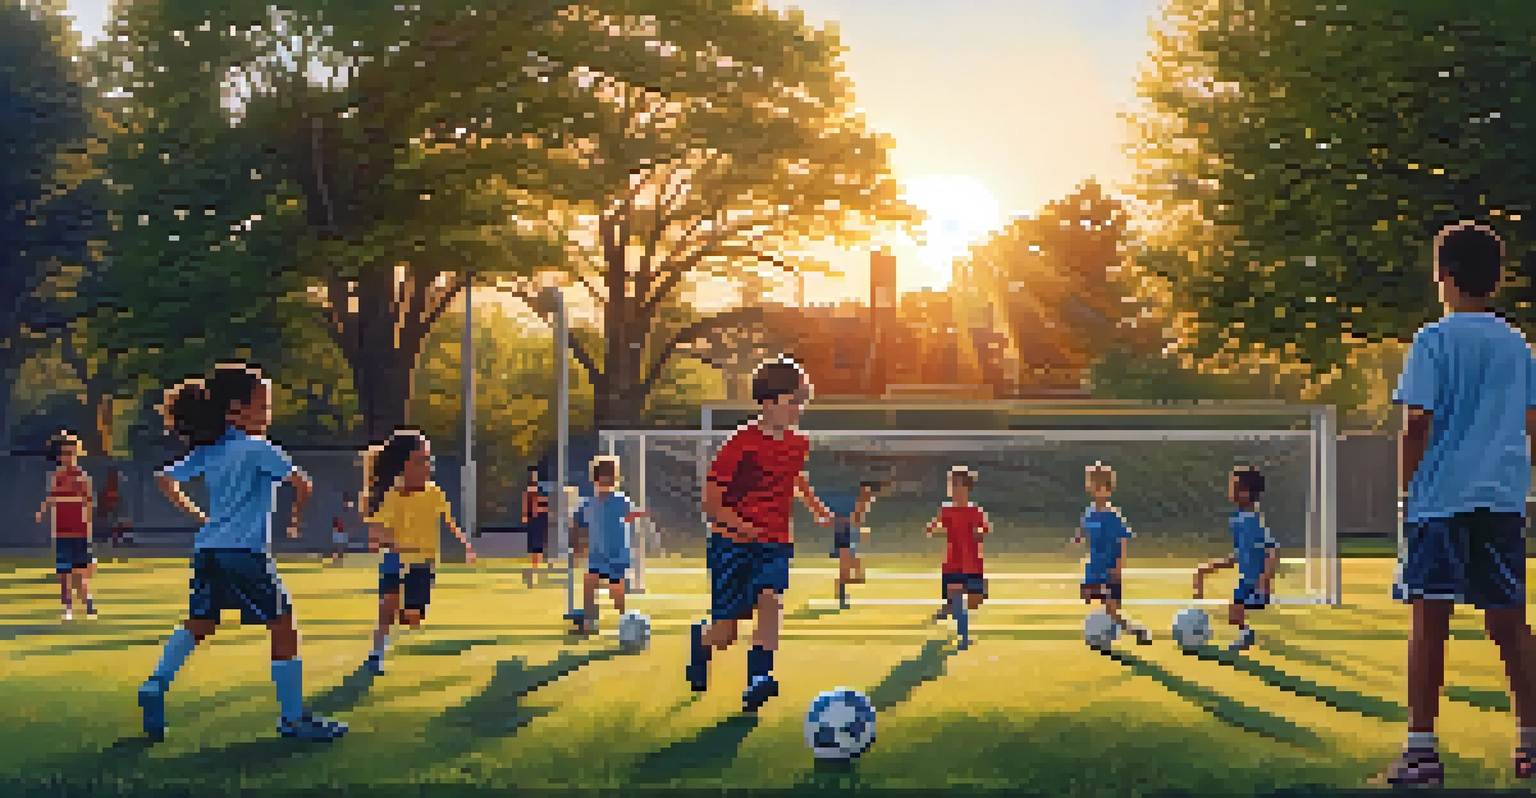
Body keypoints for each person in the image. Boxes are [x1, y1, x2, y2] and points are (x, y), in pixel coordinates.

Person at [1376, 222, 1536, 786]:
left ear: (1441, 276)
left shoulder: (1433, 340)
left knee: (1430, 622)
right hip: (1501, 503)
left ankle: (1421, 752)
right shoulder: (1517, 344)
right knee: (1510, 625)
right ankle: (1531, 742)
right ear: (1496, 279)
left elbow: (1416, 421)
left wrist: (1405, 490)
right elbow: (1532, 422)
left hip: (1440, 501)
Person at [139, 363, 346, 741]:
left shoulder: (210, 449)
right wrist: (296, 517)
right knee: (283, 624)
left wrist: (202, 518)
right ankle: (293, 719)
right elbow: (303, 483)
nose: (267, 417)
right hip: (245, 551)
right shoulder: (257, 448)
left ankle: (156, 682)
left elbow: (164, 479)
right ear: (235, 409)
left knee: (200, 621)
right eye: (262, 407)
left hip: (209, 550)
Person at [688, 356, 833, 712]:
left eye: (802, 400)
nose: (799, 408)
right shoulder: (740, 444)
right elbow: (710, 503)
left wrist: (815, 507)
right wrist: (743, 527)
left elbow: (794, 476)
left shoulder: (800, 443)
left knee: (772, 599)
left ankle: (758, 678)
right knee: (725, 634)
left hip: (775, 544)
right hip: (731, 545)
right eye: (793, 400)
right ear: (769, 401)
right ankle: (702, 641)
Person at [362, 430, 476, 675]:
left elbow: (449, 520)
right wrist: (387, 542)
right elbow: (378, 529)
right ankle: (376, 655)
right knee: (387, 605)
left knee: (412, 618)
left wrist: (465, 543)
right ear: (402, 466)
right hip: (395, 559)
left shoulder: (434, 492)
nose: (427, 467)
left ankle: (407, 610)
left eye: (428, 460)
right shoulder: (391, 495)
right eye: (420, 461)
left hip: (423, 562)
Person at [1193, 467, 1276, 652]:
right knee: (1234, 613)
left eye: (1235, 487)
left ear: (1246, 493)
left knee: (1236, 609)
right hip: (1245, 578)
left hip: (1254, 580)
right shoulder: (1238, 518)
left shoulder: (1254, 520)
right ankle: (1245, 635)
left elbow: (1271, 549)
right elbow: (1240, 553)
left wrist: (1264, 578)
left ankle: (1245, 637)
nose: (1230, 491)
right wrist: (1212, 567)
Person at [570, 456, 648, 635]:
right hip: (596, 554)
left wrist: (639, 514)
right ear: (595, 479)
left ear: (615, 480)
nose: (605, 482)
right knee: (589, 582)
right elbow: (578, 523)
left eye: (609, 478)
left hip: (617, 554)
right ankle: (589, 622)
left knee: (616, 591)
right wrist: (578, 546)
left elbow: (629, 515)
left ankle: (625, 621)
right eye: (601, 478)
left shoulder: (621, 500)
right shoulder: (588, 503)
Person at [1076, 462, 1151, 644]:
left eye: (1100, 485)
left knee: (1111, 609)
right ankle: (1110, 625)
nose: (1095, 489)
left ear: (1107, 489)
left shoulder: (1113, 515)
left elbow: (1122, 539)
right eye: (1092, 484)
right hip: (1094, 567)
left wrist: (1119, 566)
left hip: (1109, 568)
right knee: (1087, 595)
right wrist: (1077, 538)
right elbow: (1084, 528)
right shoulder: (1090, 512)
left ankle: (1136, 631)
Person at [925, 466, 990, 651]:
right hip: (953, 563)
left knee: (975, 601)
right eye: (950, 483)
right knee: (959, 599)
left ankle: (950, 607)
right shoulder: (946, 510)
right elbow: (932, 528)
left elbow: (985, 528)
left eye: (956, 483)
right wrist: (936, 530)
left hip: (973, 564)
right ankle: (964, 638)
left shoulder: (975, 511)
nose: (952, 487)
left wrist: (980, 532)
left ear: (966, 487)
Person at [36, 431, 96, 621]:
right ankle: (68, 608)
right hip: (62, 532)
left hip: (80, 532)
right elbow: (52, 497)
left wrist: (88, 529)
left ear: (77, 454)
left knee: (80, 572)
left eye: (71, 453)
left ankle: (87, 604)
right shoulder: (56, 477)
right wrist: (43, 510)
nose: (67, 457)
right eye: (64, 453)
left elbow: (87, 503)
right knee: (64, 573)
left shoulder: (82, 476)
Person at [823, 481, 881, 609]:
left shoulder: (864, 503)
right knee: (846, 569)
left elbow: (856, 521)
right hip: (845, 535)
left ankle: (840, 589)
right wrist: (859, 531)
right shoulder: (857, 503)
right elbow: (853, 520)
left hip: (849, 535)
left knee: (857, 575)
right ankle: (842, 597)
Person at [522, 466, 551, 585]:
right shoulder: (528, 492)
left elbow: (547, 505)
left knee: (541, 548)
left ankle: (537, 572)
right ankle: (534, 571)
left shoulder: (541, 490)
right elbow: (525, 512)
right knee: (535, 549)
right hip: (534, 522)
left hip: (541, 521)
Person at [330, 491, 355, 565]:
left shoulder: (344, 510)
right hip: (338, 530)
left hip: (341, 530)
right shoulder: (338, 509)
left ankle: (339, 559)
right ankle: (336, 559)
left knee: (340, 547)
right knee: (337, 546)